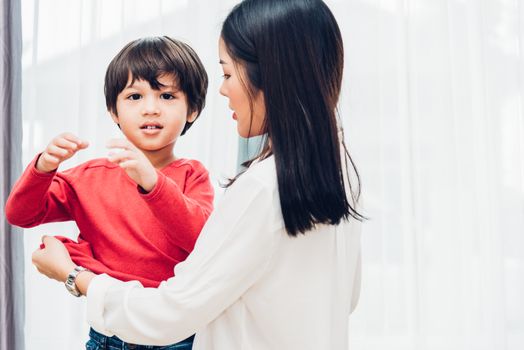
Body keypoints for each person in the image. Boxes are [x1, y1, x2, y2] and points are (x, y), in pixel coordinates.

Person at [31, 0, 364, 349]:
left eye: (227, 74)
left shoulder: (259, 190)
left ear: (269, 76)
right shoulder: (342, 176)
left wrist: (73, 275)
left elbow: (169, 313)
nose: (222, 89)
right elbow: (346, 297)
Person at [6, 36, 213, 349]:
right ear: (113, 112)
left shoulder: (192, 175)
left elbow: (201, 241)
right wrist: (44, 167)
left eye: (167, 95)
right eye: (134, 96)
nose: (150, 109)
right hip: (107, 336)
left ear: (193, 110)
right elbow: (20, 214)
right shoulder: (90, 176)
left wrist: (153, 184)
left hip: (177, 337)